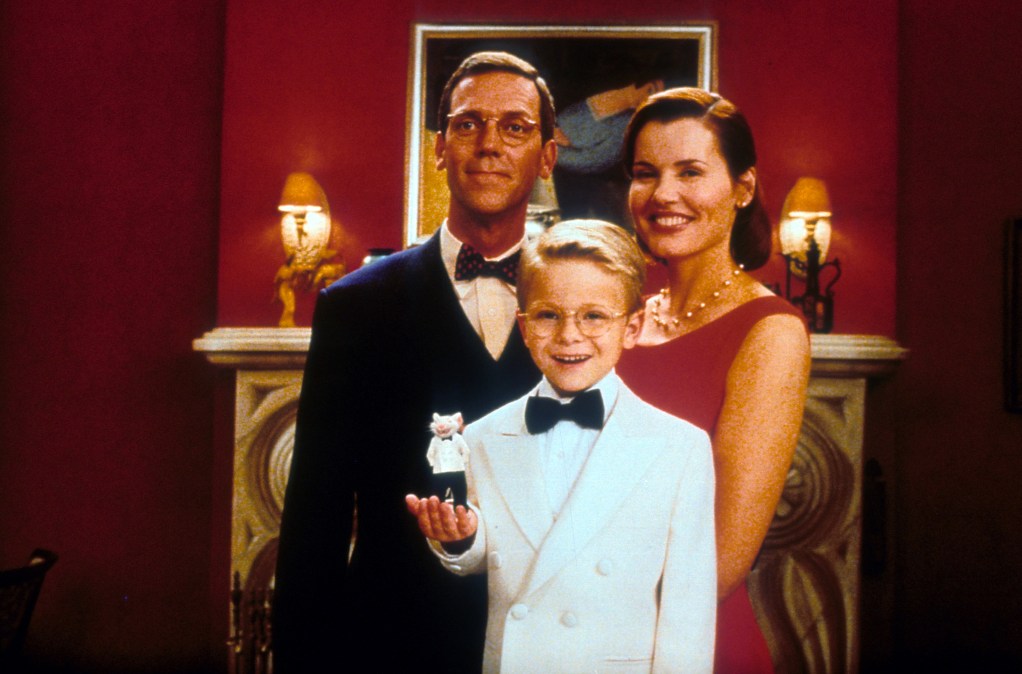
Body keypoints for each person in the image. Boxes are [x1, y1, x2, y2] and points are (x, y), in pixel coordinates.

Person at [272, 51, 558, 673]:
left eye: (515, 127)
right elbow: (313, 516)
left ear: (547, 156)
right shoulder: (355, 304)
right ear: (439, 148)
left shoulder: (586, 309)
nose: (489, 145)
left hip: (547, 643)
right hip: (393, 640)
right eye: (467, 124)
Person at [407, 220, 717, 673]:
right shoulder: (483, 436)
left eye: (593, 316)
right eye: (549, 315)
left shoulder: (679, 448)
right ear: (525, 327)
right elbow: (496, 554)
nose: (570, 335)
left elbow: (688, 613)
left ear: (631, 327)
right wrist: (462, 540)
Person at [615, 88, 812, 673]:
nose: (663, 194)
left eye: (691, 172)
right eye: (646, 173)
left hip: (685, 644)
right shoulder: (617, 320)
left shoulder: (772, 330)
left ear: (742, 189)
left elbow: (723, 559)